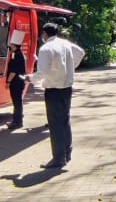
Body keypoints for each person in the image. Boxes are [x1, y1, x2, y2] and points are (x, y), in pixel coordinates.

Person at [22, 23, 85, 169]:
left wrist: (30, 78)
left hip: (53, 89)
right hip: (67, 87)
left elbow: (42, 72)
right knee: (64, 120)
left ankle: (58, 157)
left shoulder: (45, 49)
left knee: (55, 124)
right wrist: (70, 68)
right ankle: (67, 152)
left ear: (45, 34)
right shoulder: (65, 43)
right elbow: (80, 52)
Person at [5, 35, 27, 130]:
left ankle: (17, 122)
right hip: (20, 82)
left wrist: (8, 81)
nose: (9, 46)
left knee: (16, 102)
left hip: (16, 82)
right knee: (18, 102)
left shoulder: (16, 55)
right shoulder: (18, 53)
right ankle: (17, 120)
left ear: (14, 45)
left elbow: (13, 71)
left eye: (11, 44)